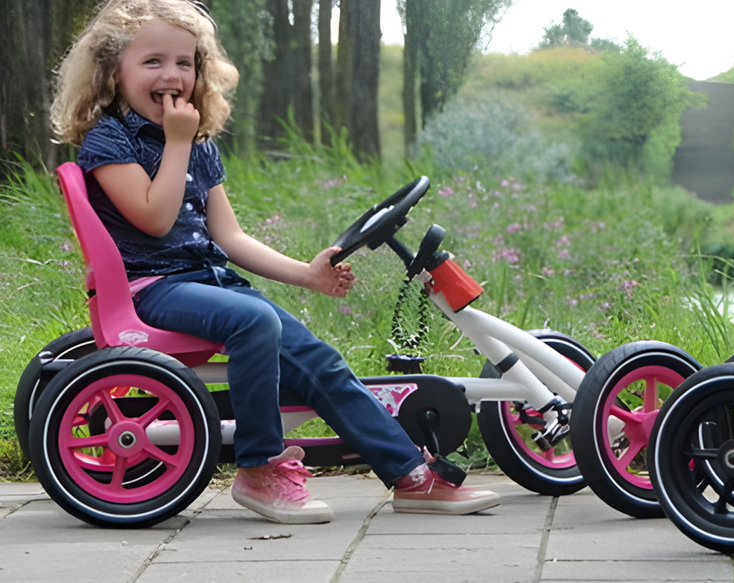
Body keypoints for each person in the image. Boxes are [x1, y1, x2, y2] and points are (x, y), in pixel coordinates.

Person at [50, 0, 498, 523]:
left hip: (211, 283)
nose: (172, 75)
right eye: (153, 62)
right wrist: (175, 143)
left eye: (185, 62)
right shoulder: (111, 140)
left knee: (321, 361)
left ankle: (410, 476)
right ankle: (258, 469)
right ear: (112, 71)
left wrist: (306, 274)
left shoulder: (197, 144)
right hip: (150, 287)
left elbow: (230, 236)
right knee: (255, 318)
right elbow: (154, 219)